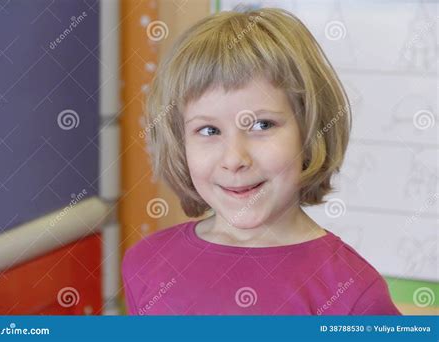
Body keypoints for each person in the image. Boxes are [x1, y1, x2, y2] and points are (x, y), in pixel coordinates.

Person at [122, 7, 401, 315]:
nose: (234, 159)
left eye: (261, 125)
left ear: (309, 131)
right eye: (209, 130)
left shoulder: (355, 294)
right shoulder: (145, 263)